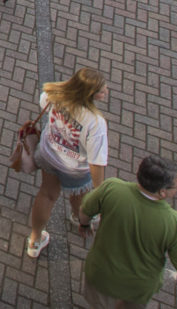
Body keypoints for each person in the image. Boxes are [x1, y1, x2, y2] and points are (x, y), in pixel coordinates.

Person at [79, 155, 177, 309]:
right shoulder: (174, 223)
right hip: (138, 288)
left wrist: (84, 225)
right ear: (162, 192)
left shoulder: (112, 188)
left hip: (101, 275)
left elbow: (85, 211)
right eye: (176, 187)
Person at [25, 67, 110, 260]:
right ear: (90, 95)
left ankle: (35, 240)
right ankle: (79, 218)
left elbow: (43, 103)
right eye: (102, 90)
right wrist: (101, 192)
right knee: (80, 197)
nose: (106, 91)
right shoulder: (95, 124)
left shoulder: (53, 95)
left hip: (49, 154)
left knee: (47, 194)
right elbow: (96, 162)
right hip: (75, 168)